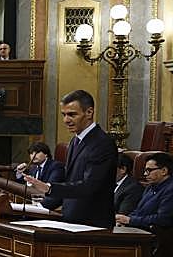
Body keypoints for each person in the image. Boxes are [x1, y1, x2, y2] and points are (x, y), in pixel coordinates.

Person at [24, 90, 117, 228]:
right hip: (72, 221)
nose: (66, 120)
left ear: (89, 112)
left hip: (92, 224)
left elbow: (89, 186)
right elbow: (70, 182)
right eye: (64, 115)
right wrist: (38, 208)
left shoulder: (102, 143)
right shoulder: (75, 141)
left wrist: (49, 188)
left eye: (72, 114)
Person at [116, 153, 173, 231]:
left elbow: (163, 219)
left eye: (149, 170)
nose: (145, 174)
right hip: (139, 228)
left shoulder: (170, 189)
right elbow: (138, 211)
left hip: (155, 233)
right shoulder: (150, 187)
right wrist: (123, 220)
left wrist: (130, 220)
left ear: (164, 171)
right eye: (145, 170)